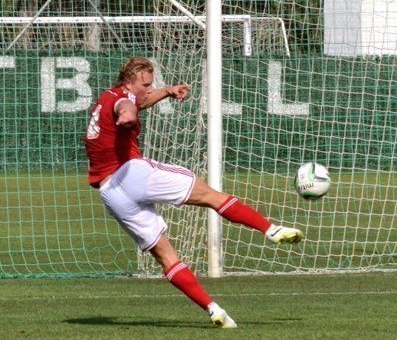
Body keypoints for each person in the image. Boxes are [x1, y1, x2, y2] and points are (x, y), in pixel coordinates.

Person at [84, 56, 304, 328]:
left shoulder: (107, 97)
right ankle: (272, 230)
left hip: (111, 193)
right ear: (129, 81)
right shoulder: (123, 98)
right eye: (146, 84)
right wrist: (127, 117)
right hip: (131, 173)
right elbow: (128, 106)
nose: (149, 89)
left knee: (166, 256)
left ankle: (214, 309)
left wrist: (167, 92)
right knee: (209, 194)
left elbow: (138, 101)